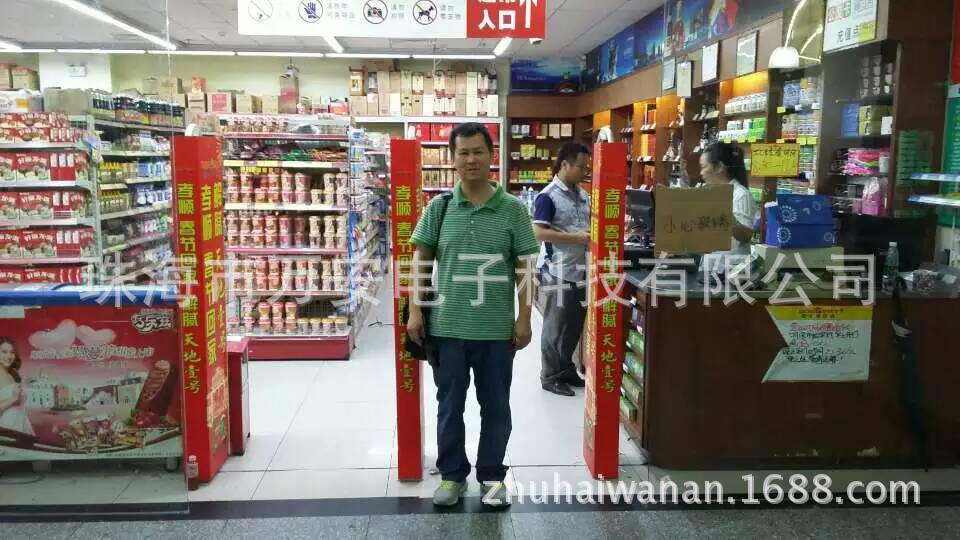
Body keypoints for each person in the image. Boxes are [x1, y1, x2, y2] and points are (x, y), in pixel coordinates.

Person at [407, 123, 539, 507]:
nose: (470, 159)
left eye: (478, 151)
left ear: (491, 155)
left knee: (496, 407)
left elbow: (525, 268)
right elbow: (420, 261)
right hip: (446, 328)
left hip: (496, 331)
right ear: (452, 159)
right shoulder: (439, 208)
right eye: (463, 152)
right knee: (449, 407)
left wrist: (524, 317)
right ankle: (452, 476)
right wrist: (415, 311)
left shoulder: (513, 210)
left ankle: (492, 476)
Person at [533, 143, 592, 397]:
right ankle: (549, 376)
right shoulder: (548, 196)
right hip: (558, 270)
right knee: (555, 327)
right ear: (565, 164)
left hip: (582, 269)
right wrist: (576, 238)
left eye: (586, 166)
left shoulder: (583, 194)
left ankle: (566, 369)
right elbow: (538, 232)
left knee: (573, 325)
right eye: (581, 166)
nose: (585, 171)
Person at [699, 141, 758, 269]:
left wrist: (726, 216)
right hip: (712, 268)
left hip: (729, 271)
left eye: (704, 167)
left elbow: (746, 236)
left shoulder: (741, 195)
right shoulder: (714, 193)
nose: (701, 173)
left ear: (720, 167)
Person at [0, 337, 35, 436]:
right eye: (4, 352)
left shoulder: (14, 374)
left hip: (22, 425)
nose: (9, 356)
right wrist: (13, 399)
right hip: (7, 428)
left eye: (12, 352)